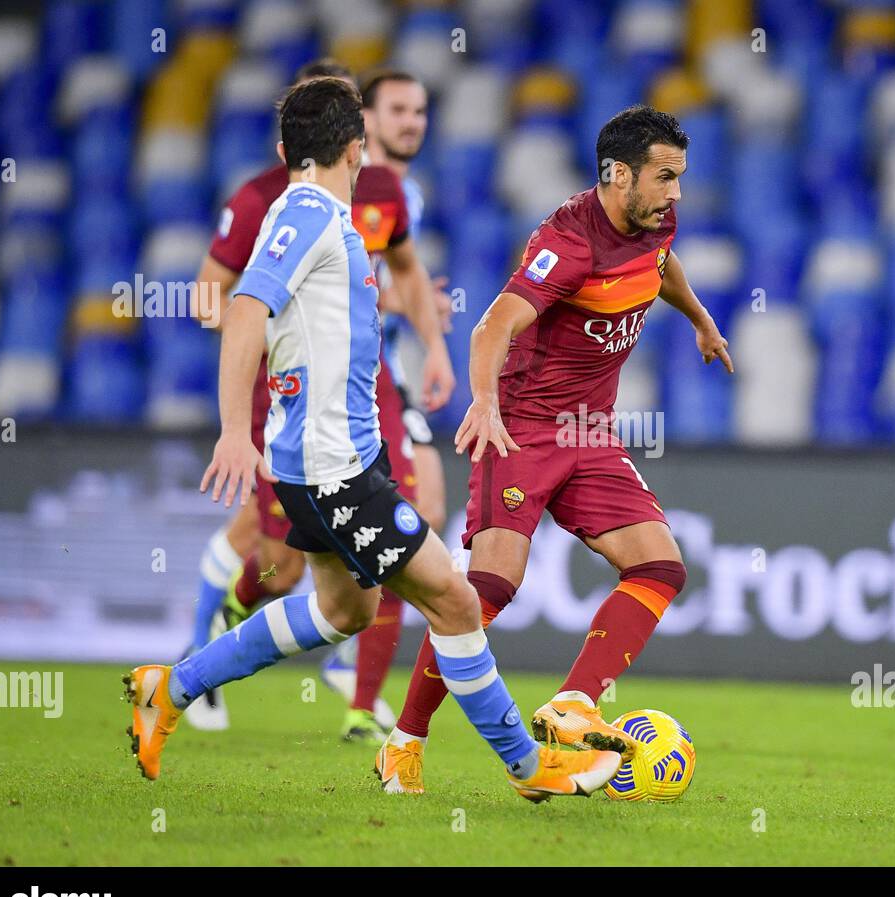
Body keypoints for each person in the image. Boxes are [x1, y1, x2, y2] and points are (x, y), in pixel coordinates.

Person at [124, 77, 621, 803]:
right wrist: (235, 430)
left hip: (327, 460)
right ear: (357, 146)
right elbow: (243, 310)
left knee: (343, 611)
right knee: (452, 601)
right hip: (335, 469)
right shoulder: (308, 217)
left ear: (284, 147)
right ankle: (527, 764)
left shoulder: (319, 215)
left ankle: (172, 687)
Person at [375, 105, 733, 793]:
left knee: (660, 566)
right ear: (618, 175)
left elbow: (662, 265)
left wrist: (701, 319)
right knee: (487, 590)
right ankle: (404, 741)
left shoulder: (655, 219)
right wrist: (484, 402)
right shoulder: (568, 242)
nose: (676, 194)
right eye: (665, 177)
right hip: (523, 427)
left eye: (681, 178)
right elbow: (491, 327)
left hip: (590, 432)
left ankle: (574, 703)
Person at [179, 59, 453, 742]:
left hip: (369, 389)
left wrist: (436, 345)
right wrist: (275, 330)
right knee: (281, 565)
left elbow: (408, 274)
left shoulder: (384, 191)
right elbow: (215, 300)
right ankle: (215, 637)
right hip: (292, 397)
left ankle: (362, 703)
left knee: (417, 514)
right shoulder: (266, 205)